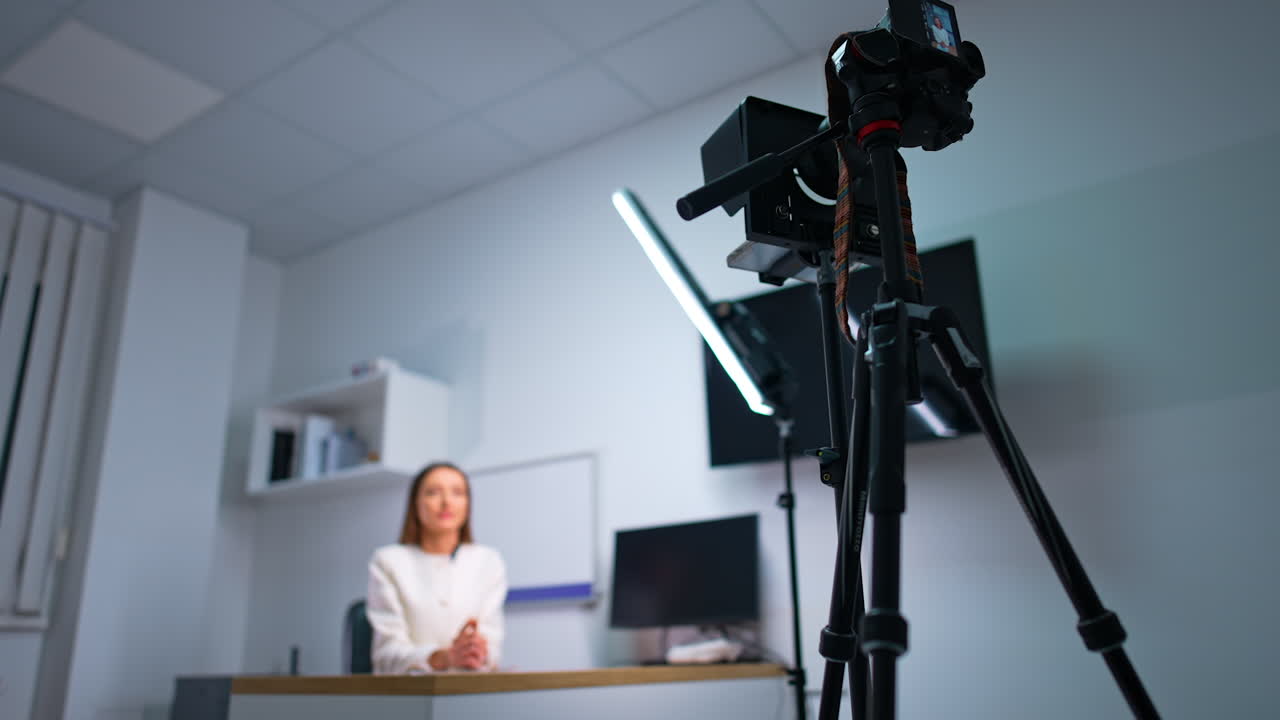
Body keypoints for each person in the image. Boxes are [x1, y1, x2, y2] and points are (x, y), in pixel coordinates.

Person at [366, 462, 508, 673]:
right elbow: (386, 657)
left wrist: (478, 653)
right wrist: (442, 658)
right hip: (410, 693)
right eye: (433, 493)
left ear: (468, 504)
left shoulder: (488, 562)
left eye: (457, 493)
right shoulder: (388, 562)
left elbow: (492, 648)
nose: (446, 502)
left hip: (469, 690)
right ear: (415, 503)